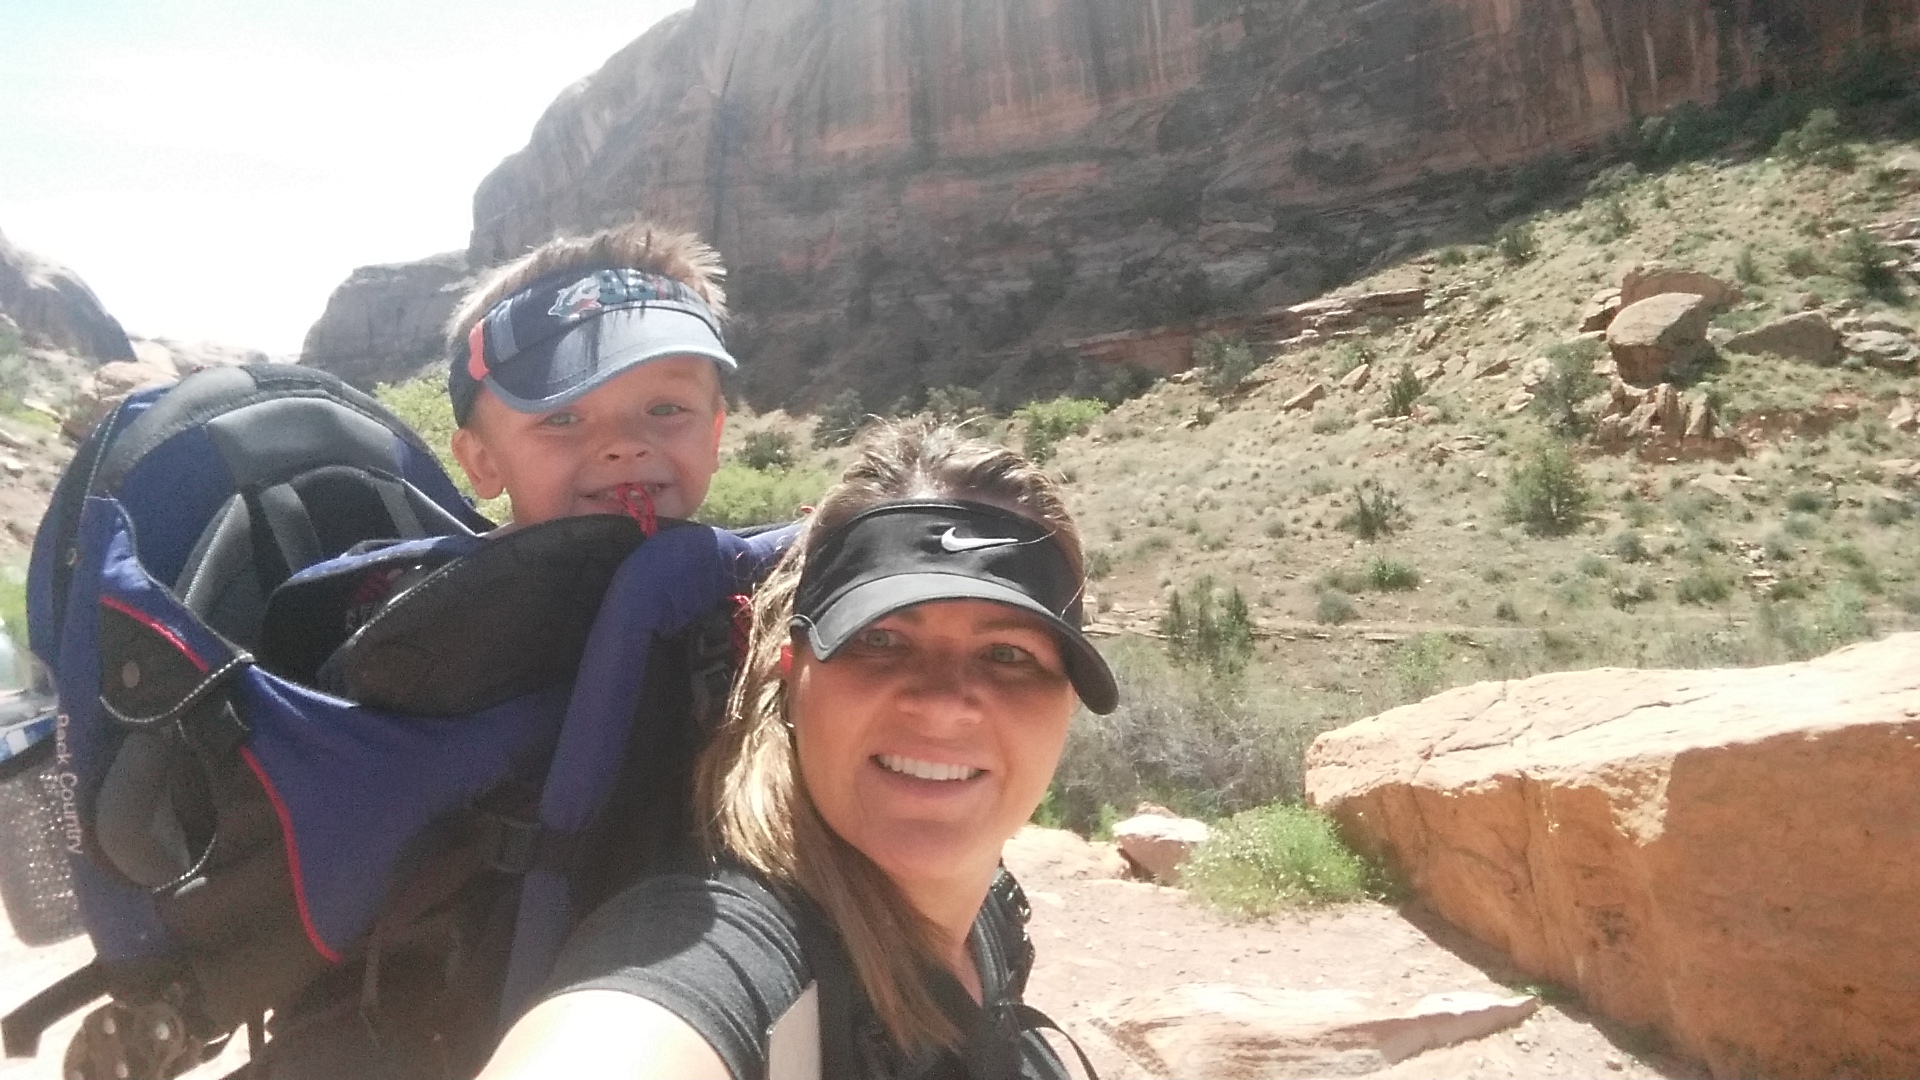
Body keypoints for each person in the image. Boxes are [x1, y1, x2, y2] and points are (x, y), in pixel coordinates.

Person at [476, 421, 1119, 1080]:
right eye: (883, 640)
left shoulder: (986, 913)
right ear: (790, 666)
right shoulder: (715, 950)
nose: (943, 704)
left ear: (1067, 697)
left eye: (1007, 655)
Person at [445, 217, 734, 529]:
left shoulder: (756, 572)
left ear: (713, 436)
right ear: (482, 462)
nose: (625, 445)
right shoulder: (460, 579)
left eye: (666, 410)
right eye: (561, 419)